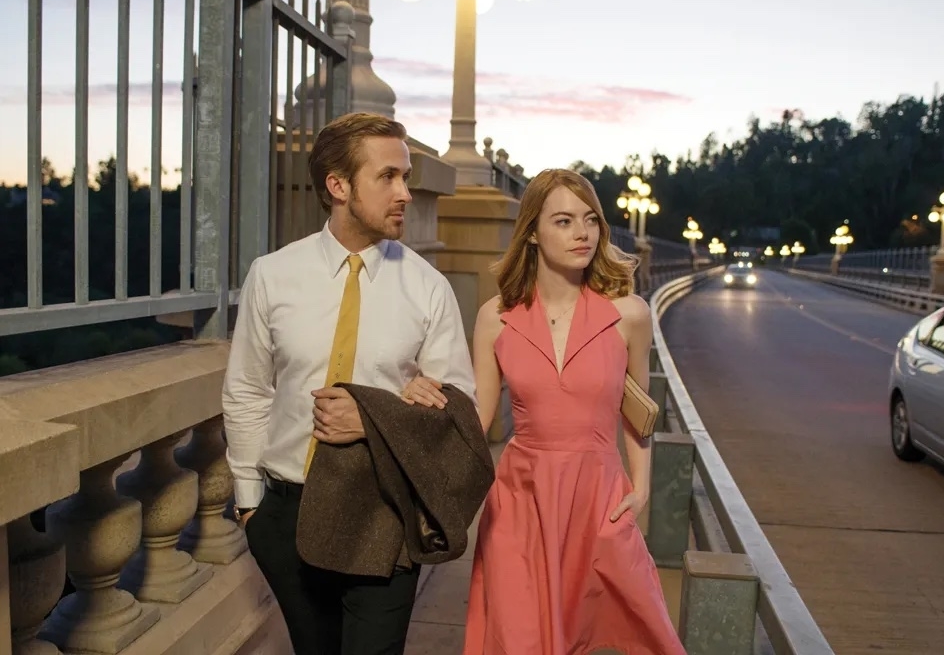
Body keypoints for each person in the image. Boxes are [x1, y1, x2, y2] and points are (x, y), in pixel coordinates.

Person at [221, 111, 475, 655]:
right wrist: (250, 507)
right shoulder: (272, 275)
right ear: (338, 186)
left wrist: (375, 417)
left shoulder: (429, 288)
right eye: (388, 177)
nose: (405, 192)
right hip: (287, 510)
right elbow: (247, 391)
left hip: (384, 509)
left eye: (405, 176)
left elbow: (461, 413)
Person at [463, 168, 687, 654]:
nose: (582, 233)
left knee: (633, 632)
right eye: (564, 221)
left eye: (590, 220)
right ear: (533, 234)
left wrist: (641, 488)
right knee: (520, 638)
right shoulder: (494, 319)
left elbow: (638, 411)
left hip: (599, 500)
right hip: (520, 505)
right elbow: (478, 421)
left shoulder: (629, 315)